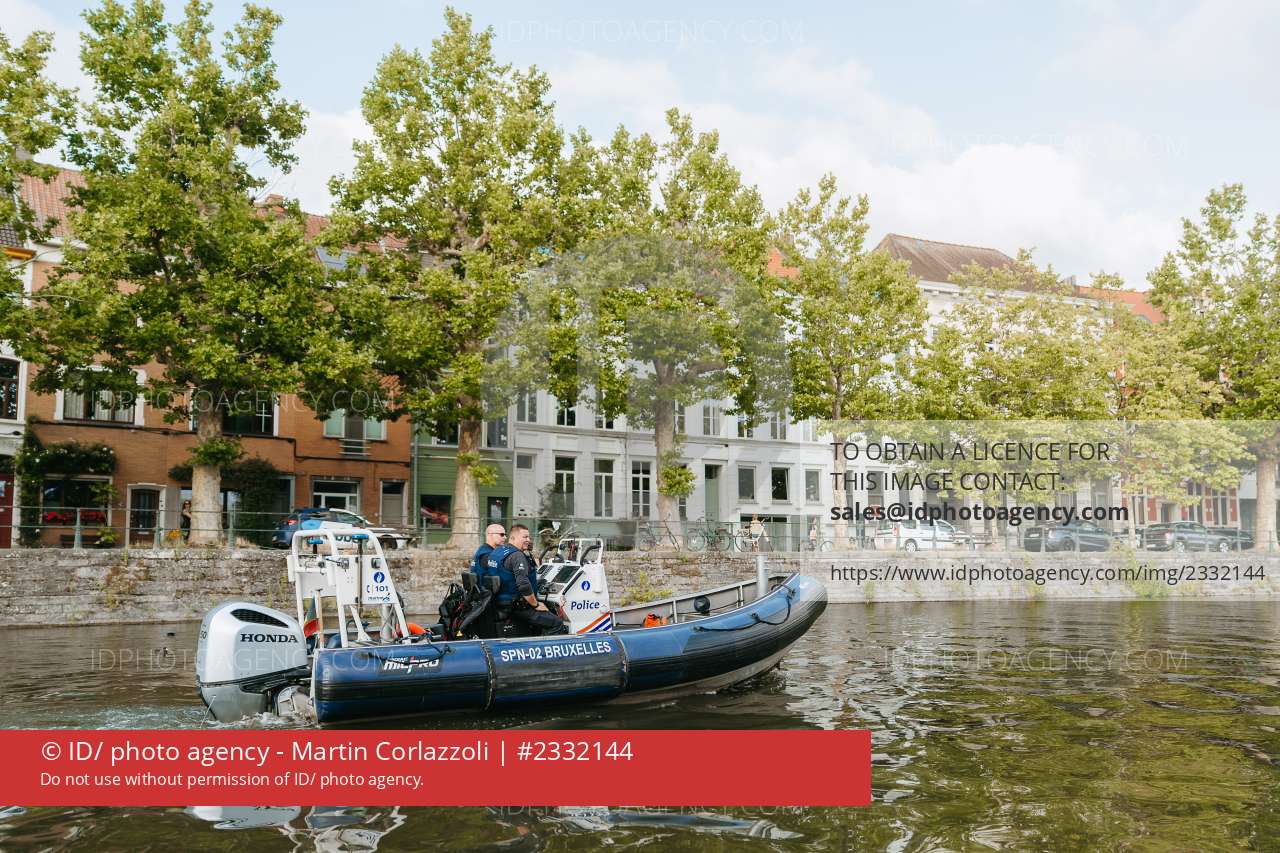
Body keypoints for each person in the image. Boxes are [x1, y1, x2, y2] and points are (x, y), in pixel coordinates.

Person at [485, 523, 567, 636]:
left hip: (499, 602)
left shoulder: (497, 551)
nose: (528, 540)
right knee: (556, 623)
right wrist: (536, 605)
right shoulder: (517, 556)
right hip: (517, 606)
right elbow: (523, 585)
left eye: (528, 537)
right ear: (513, 538)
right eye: (525, 537)